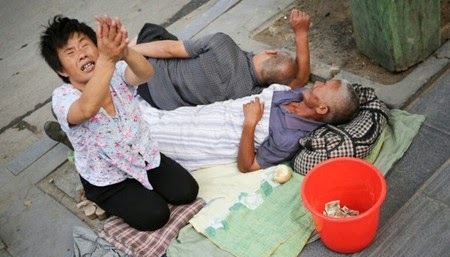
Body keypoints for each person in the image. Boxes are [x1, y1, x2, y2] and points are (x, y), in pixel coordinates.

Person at [39, 15, 198, 231]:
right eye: (71, 52)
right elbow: (87, 108)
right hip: (107, 177)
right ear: (62, 70)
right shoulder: (62, 96)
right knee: (155, 216)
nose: (83, 54)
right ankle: (87, 176)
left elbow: (145, 74)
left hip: (141, 156)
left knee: (187, 192)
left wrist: (124, 51)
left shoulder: (114, 72)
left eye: (85, 45)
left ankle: (68, 138)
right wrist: (106, 59)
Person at [136, 79, 360, 173]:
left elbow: (248, 166)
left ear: (322, 109)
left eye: (324, 87)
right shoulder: (301, 94)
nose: (318, 82)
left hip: (211, 137)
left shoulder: (290, 137)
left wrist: (250, 123)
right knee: (153, 116)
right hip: (207, 114)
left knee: (144, 134)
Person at [130, 9, 311, 110]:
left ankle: (122, 53)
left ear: (270, 53)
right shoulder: (251, 95)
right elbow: (300, 79)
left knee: (155, 34)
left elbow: (169, 50)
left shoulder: (221, 44)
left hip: (145, 74)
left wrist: (125, 52)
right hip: (159, 102)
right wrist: (302, 35)